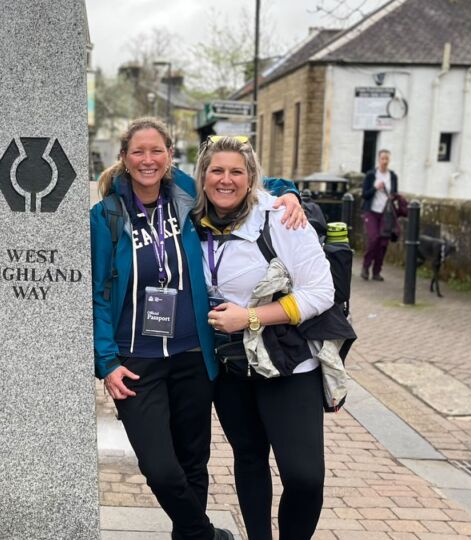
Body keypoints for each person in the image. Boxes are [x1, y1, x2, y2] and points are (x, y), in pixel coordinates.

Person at [90, 118, 305, 540]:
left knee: (194, 462)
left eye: (157, 151)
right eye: (138, 152)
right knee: (159, 467)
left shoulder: (187, 194)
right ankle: (204, 535)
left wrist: (290, 192)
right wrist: (107, 362)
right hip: (136, 361)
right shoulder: (107, 216)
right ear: (124, 158)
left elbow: (242, 179)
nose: (148, 160)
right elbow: (97, 294)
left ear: (171, 156)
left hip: (193, 355)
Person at [195, 136, 334, 540]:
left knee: (305, 477)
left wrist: (251, 317)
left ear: (251, 177)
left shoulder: (280, 217)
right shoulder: (193, 221)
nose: (225, 180)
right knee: (250, 459)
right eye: (216, 170)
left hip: (288, 364)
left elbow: (321, 292)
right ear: (202, 176)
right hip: (230, 366)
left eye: (236, 171)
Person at [360, 149, 399, 281]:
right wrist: (375, 188)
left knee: (383, 243)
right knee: (374, 238)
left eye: (387, 159)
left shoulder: (392, 176)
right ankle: (365, 267)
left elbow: (395, 195)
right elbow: (364, 194)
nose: (384, 161)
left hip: (386, 213)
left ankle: (377, 271)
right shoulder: (371, 175)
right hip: (371, 211)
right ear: (378, 160)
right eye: (382, 159)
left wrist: (391, 196)